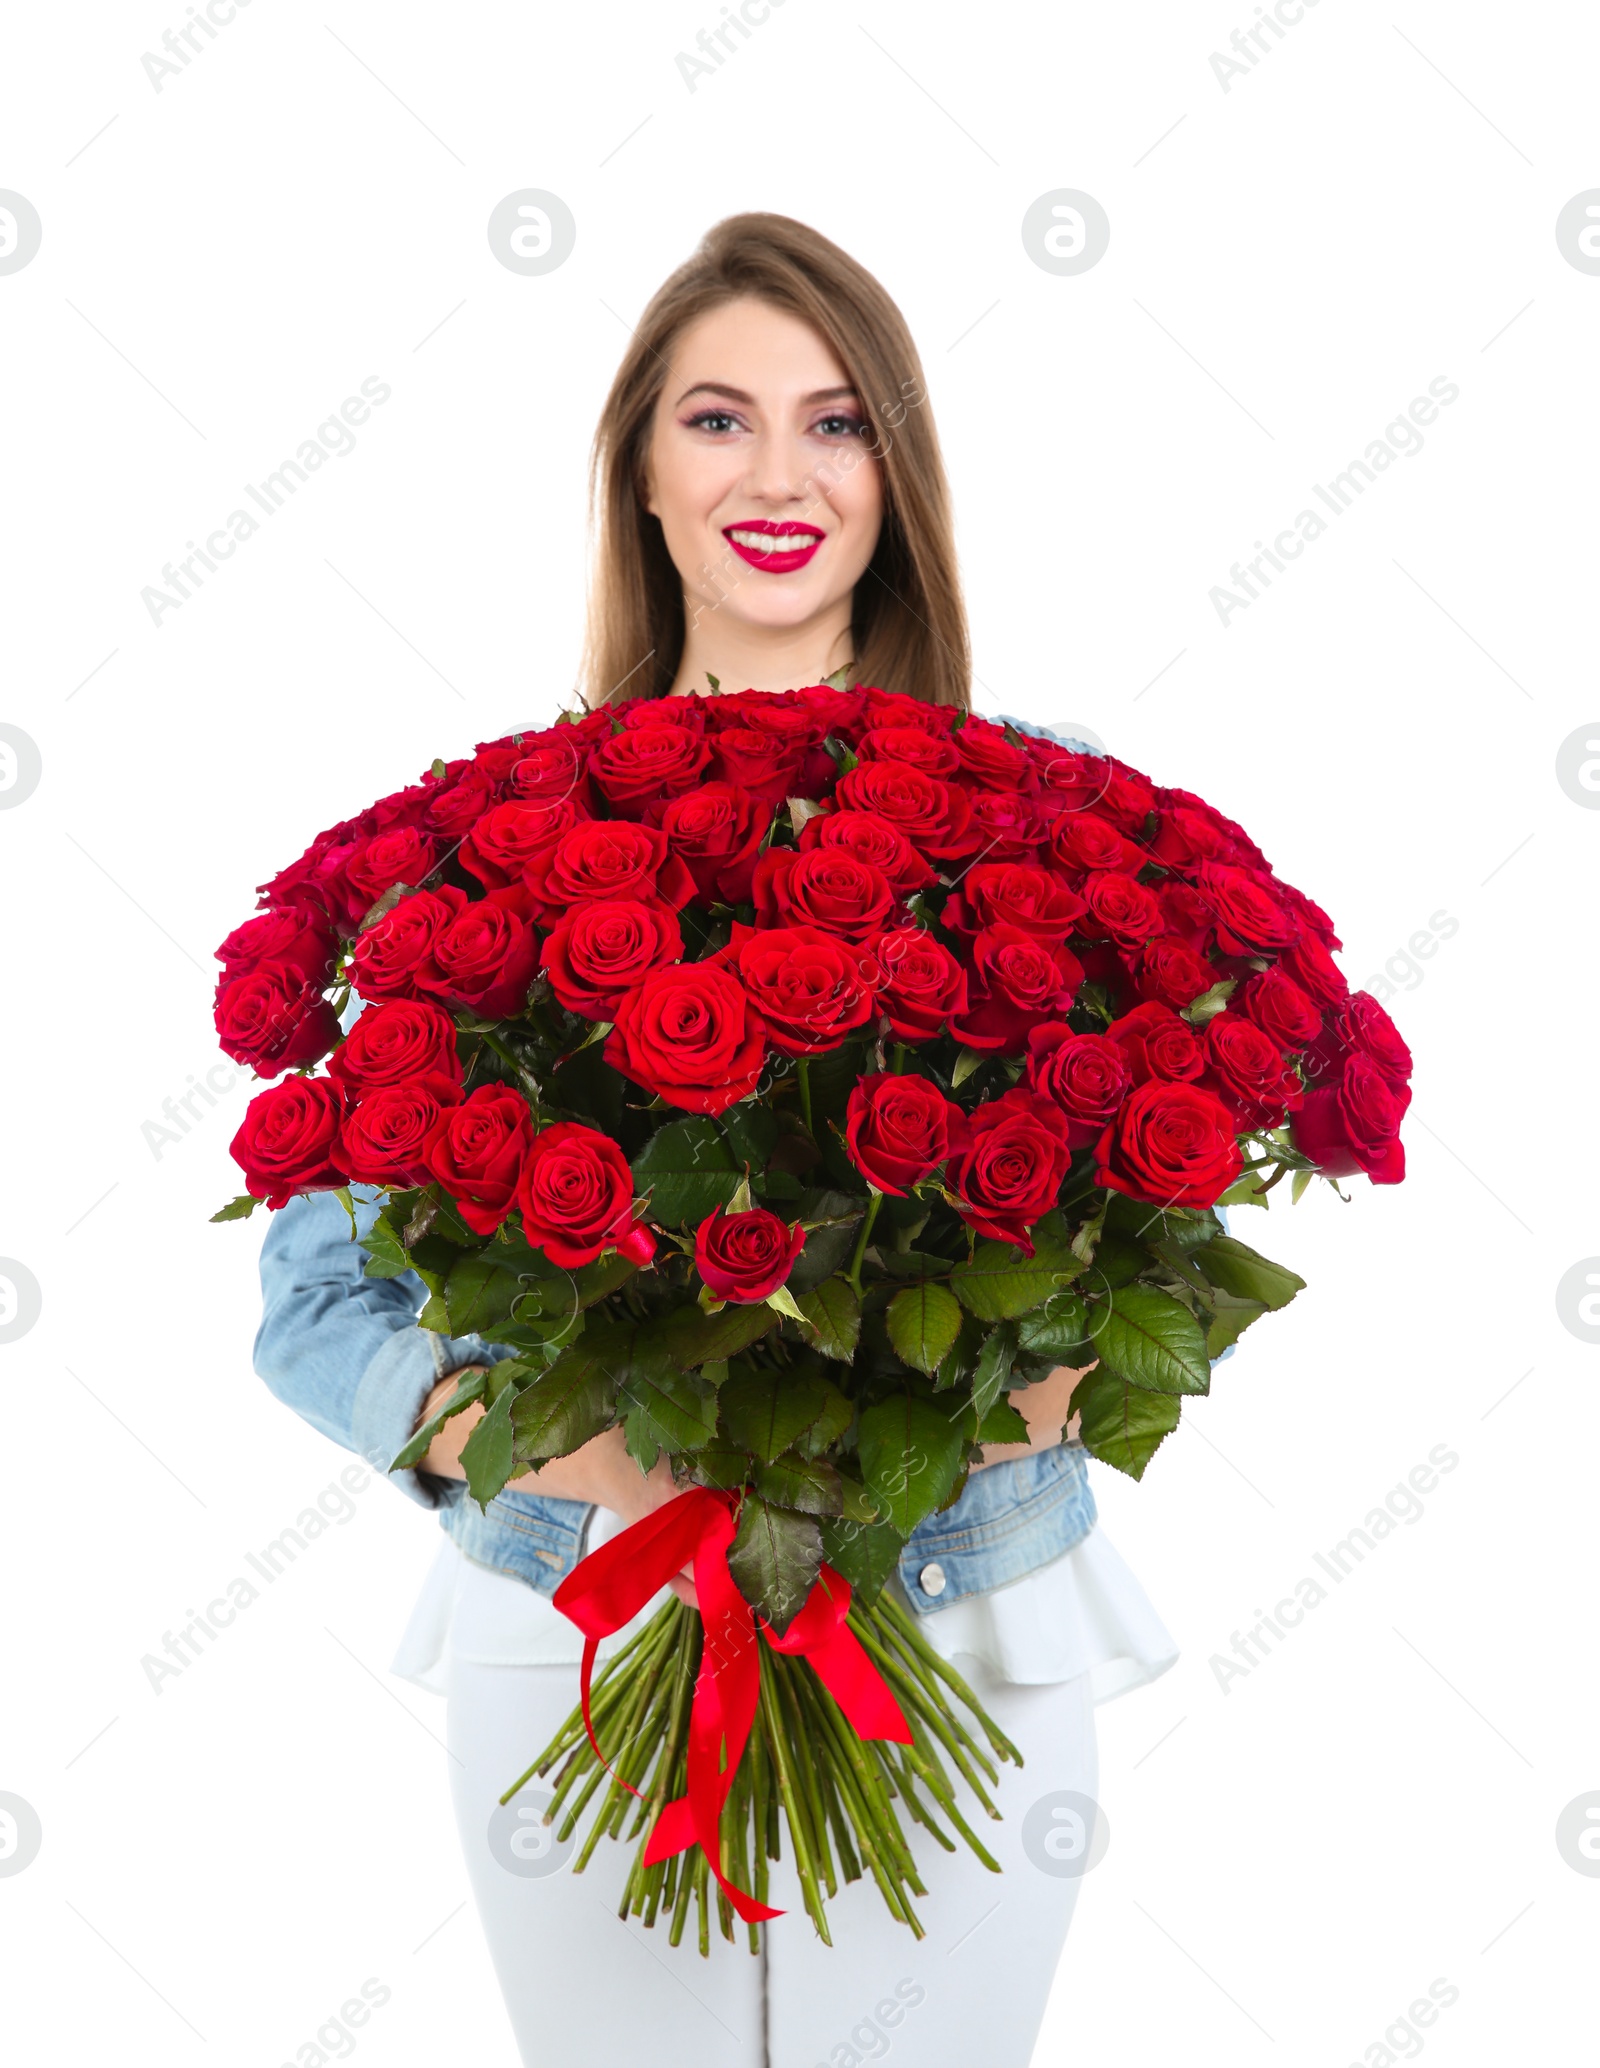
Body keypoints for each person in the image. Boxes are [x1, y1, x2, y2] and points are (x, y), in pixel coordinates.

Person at [254, 213, 1225, 2067]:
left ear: (900, 473)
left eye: (839, 423)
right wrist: (586, 1457)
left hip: (963, 1625)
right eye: (718, 419)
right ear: (637, 463)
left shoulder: (1053, 806)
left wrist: (1018, 1386)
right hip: (585, 1636)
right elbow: (316, 1309)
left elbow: (1154, 1226)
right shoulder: (495, 839)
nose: (777, 475)